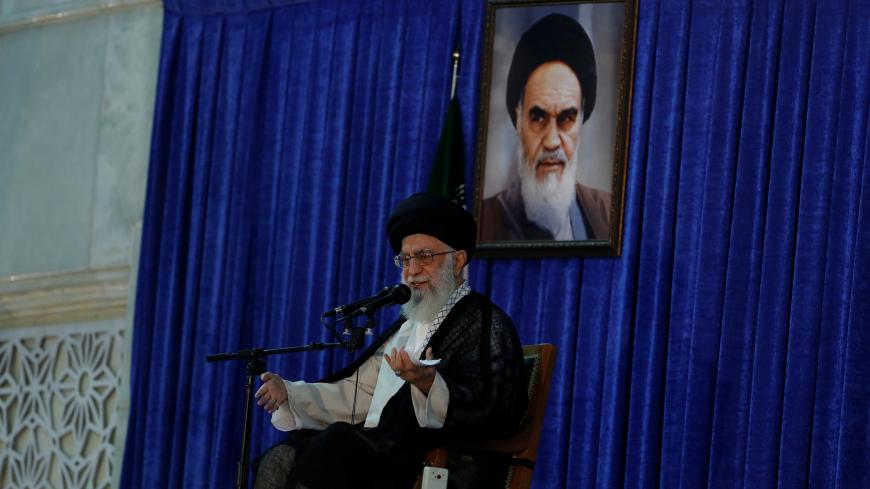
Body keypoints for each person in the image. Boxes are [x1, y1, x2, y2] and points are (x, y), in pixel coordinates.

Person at [253, 193, 527, 489]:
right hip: (377, 452)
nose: (411, 271)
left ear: (458, 260)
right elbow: (360, 393)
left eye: (424, 257)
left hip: (434, 463)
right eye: (406, 259)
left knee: (335, 445)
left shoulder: (486, 322)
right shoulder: (408, 325)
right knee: (282, 457)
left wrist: (429, 385)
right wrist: (292, 394)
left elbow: (496, 408)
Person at [480, 13, 611, 241]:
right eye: (538, 117)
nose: (552, 141)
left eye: (566, 118)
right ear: (518, 118)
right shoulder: (480, 223)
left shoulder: (609, 213)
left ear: (581, 121)